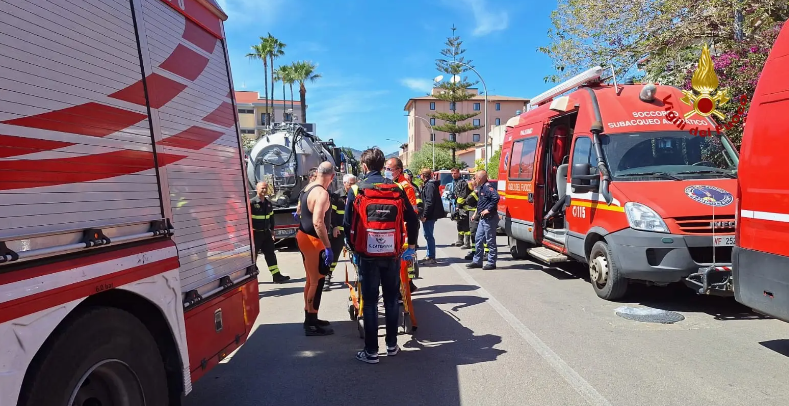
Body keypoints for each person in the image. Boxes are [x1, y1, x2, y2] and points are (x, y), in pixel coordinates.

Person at [344, 148, 419, 364]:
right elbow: (413, 220)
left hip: (366, 255)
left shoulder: (357, 189)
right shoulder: (396, 188)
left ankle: (371, 351)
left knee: (369, 303)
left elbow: (347, 224)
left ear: (365, 167)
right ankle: (392, 345)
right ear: (382, 166)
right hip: (392, 254)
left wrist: (354, 248)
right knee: (391, 300)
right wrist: (410, 246)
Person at [296, 162, 336, 336]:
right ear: (332, 177)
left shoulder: (307, 188)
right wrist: (328, 247)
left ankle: (310, 316)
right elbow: (318, 222)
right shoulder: (322, 193)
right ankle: (311, 323)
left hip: (303, 236)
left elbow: (299, 210)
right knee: (317, 281)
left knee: (310, 279)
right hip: (313, 240)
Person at [385, 158, 419, 293]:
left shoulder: (405, 187)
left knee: (404, 264)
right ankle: (406, 286)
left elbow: (412, 214)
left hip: (404, 231)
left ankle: (406, 288)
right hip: (395, 230)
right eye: (385, 168)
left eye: (389, 169)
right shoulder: (392, 183)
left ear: (399, 171)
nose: (386, 171)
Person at [251, 182, 291, 283]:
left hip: (266, 234)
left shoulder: (268, 203)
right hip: (255, 234)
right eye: (262, 188)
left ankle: (276, 276)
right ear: (257, 189)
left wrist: (272, 230)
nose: (264, 190)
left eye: (265, 188)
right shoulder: (252, 203)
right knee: (253, 255)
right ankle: (252, 277)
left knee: (270, 254)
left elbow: (271, 217)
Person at [324, 174, 356, 291]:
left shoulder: (357, 194)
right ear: (344, 183)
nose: (353, 185)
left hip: (353, 232)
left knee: (357, 255)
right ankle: (327, 277)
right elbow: (331, 214)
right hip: (339, 231)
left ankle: (360, 277)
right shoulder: (336, 196)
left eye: (354, 183)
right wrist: (335, 227)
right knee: (334, 255)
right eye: (350, 183)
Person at [467, 170, 500, 270]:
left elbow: (496, 197)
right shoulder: (480, 187)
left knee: (490, 241)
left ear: (480, 178)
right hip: (482, 218)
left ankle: (491, 262)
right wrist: (476, 214)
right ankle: (477, 261)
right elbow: (481, 203)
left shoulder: (487, 187)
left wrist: (488, 209)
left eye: (476, 177)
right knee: (478, 238)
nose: (474, 179)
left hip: (489, 218)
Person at [419, 168, 444, 265]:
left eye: (420, 174)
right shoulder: (429, 185)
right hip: (429, 214)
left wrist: (425, 215)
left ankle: (431, 257)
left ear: (423, 175)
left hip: (429, 215)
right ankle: (429, 255)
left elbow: (429, 202)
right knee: (427, 235)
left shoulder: (429, 185)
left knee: (428, 235)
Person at [462, 178, 489, 260]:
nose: (471, 181)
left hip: (476, 213)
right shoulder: (478, 189)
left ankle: (486, 252)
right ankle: (475, 251)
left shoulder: (478, 190)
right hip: (474, 213)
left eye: (474, 179)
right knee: (474, 234)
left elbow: (468, 199)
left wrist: (472, 193)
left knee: (479, 233)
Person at [450, 168, 470, 247]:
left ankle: (467, 243)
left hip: (464, 207)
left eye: (455, 173)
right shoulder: (455, 182)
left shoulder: (463, 182)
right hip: (457, 206)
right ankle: (460, 240)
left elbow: (463, 196)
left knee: (465, 224)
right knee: (459, 223)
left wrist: (458, 206)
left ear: (459, 173)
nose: (453, 175)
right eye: (452, 173)